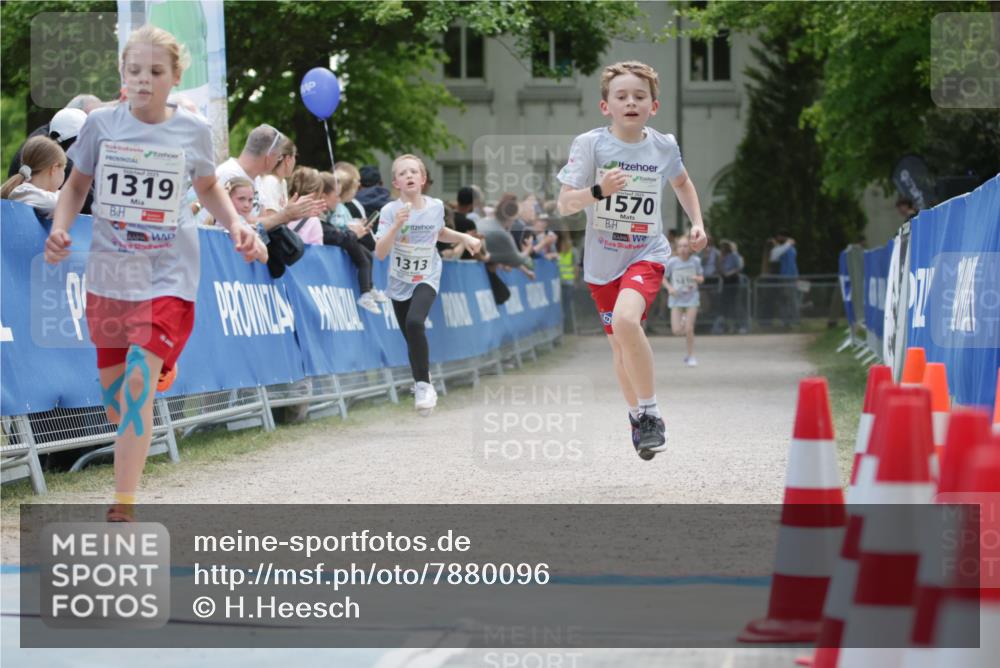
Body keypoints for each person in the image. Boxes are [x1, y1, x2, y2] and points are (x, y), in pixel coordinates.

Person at [44, 25, 267, 523]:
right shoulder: (101, 125)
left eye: (156, 71)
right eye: (135, 70)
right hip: (109, 278)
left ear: (174, 78)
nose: (144, 79)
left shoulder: (191, 131)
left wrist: (236, 224)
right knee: (117, 405)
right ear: (122, 74)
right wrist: (59, 229)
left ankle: (123, 504)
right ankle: (159, 370)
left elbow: (208, 188)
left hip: (168, 274)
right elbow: (76, 187)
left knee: (140, 385)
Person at [556, 60, 707, 459]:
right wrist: (598, 191)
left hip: (646, 253)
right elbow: (565, 204)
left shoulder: (663, 145)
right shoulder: (589, 145)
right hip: (602, 264)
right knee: (620, 347)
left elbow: (682, 182)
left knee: (626, 322)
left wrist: (697, 222)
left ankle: (652, 413)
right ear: (606, 106)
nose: (630, 102)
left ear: (653, 106)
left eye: (639, 96)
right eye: (621, 96)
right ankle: (636, 417)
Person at [374, 154, 481, 415]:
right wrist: (397, 225)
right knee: (410, 337)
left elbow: (439, 232)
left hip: (427, 275)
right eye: (402, 173)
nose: (409, 176)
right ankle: (424, 378)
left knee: (414, 322)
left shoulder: (435, 207)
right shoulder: (389, 211)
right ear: (396, 182)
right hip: (399, 281)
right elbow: (380, 252)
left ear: (422, 179)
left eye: (413, 171)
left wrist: (464, 238)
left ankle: (422, 386)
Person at [214, 124, 322, 230]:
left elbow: (263, 222)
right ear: (269, 157)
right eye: (278, 157)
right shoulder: (228, 174)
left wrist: (293, 212)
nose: (277, 161)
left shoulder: (256, 178)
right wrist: (285, 215)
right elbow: (238, 224)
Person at [319, 170, 385, 313]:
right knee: (364, 261)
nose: (338, 199)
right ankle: (365, 292)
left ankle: (370, 287)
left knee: (367, 256)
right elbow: (336, 229)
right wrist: (352, 230)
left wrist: (355, 227)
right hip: (347, 239)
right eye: (336, 195)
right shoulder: (334, 211)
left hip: (349, 237)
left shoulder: (339, 208)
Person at [664, 235, 704, 365]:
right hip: (676, 298)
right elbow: (662, 277)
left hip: (692, 297)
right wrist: (670, 288)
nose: (682, 249)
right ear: (676, 248)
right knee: (676, 330)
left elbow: (701, 277)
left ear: (691, 248)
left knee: (689, 328)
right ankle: (682, 319)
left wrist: (698, 279)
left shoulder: (695, 261)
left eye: (685, 246)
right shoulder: (672, 262)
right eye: (680, 246)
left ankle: (691, 355)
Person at [0, 136, 66, 216]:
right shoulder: (23, 191)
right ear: (54, 169)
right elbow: (60, 204)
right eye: (63, 169)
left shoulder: (31, 194)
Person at [719, 239, 746, 333]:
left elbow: (739, 267)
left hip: (733, 280)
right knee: (726, 303)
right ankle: (726, 326)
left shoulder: (734, 256)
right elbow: (721, 269)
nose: (722, 249)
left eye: (723, 247)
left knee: (735, 303)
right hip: (725, 281)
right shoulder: (722, 257)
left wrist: (730, 273)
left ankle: (739, 325)